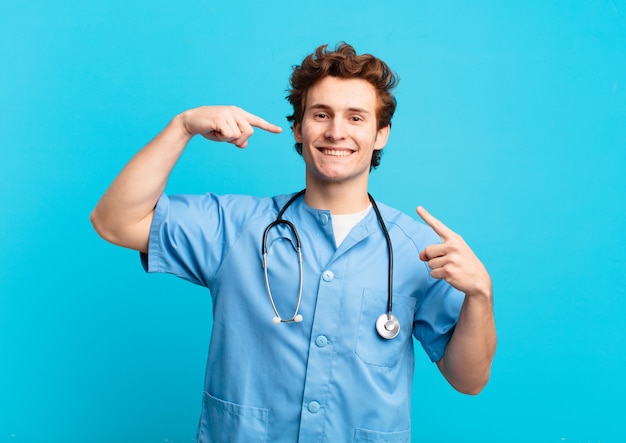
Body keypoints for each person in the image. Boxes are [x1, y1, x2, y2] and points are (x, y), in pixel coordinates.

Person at [91, 43, 496, 442]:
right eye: (322, 114)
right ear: (299, 129)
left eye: (356, 117)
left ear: (381, 135)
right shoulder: (236, 228)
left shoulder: (420, 250)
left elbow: (469, 379)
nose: (337, 131)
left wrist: (480, 295)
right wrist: (182, 127)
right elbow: (113, 222)